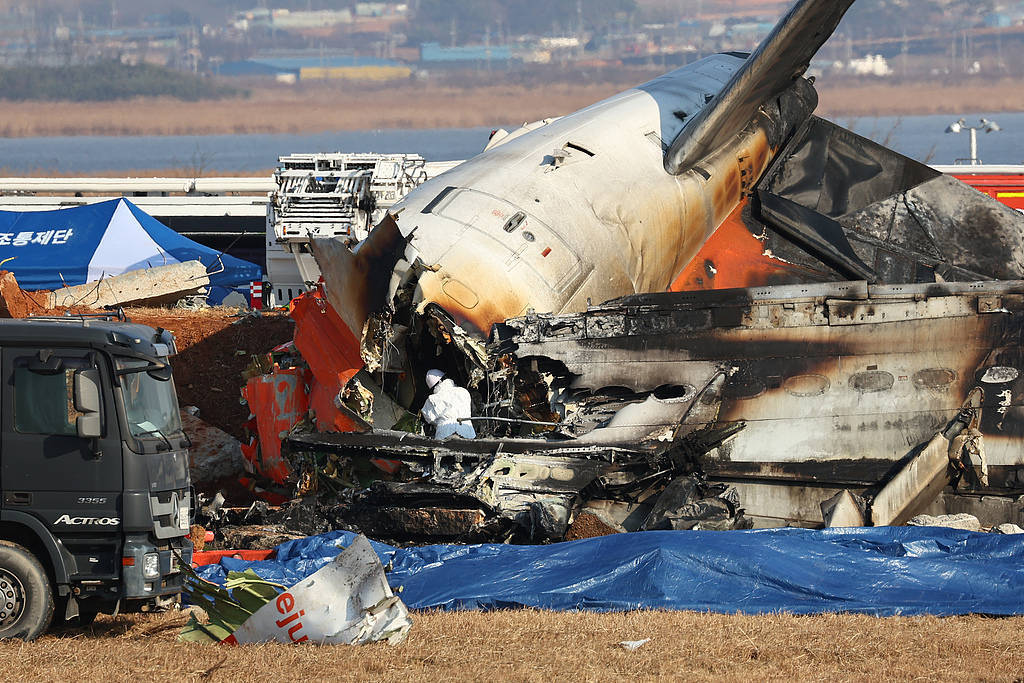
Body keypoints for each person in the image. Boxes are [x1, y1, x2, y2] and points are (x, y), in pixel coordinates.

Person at [420, 369, 476, 439]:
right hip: (467, 431)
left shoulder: (432, 399)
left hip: (445, 433)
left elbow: (430, 419)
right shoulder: (463, 391)